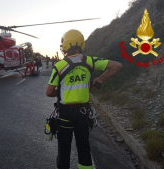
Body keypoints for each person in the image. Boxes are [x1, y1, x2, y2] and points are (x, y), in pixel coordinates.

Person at [46, 29, 122, 169]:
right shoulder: (89, 61)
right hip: (83, 113)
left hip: (65, 114)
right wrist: (99, 79)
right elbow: (117, 66)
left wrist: (63, 91)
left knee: (64, 151)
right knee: (84, 148)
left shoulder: (59, 66)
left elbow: (49, 92)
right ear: (81, 44)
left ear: (66, 46)